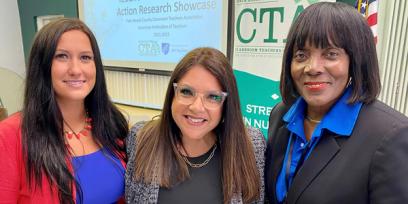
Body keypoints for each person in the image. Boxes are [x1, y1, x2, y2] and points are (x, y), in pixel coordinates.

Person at [265, 2, 408, 204]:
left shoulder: (391, 136)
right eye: (301, 55)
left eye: (331, 54)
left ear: (356, 60)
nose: (312, 68)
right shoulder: (280, 115)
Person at [0, 18, 128, 203]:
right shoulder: (9, 136)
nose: (76, 70)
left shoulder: (112, 124)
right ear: (42, 65)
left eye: (85, 57)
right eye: (61, 56)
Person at [125, 47, 265, 203]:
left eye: (212, 96)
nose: (196, 107)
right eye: (186, 92)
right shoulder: (140, 138)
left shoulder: (251, 145)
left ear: (226, 104)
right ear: (173, 94)